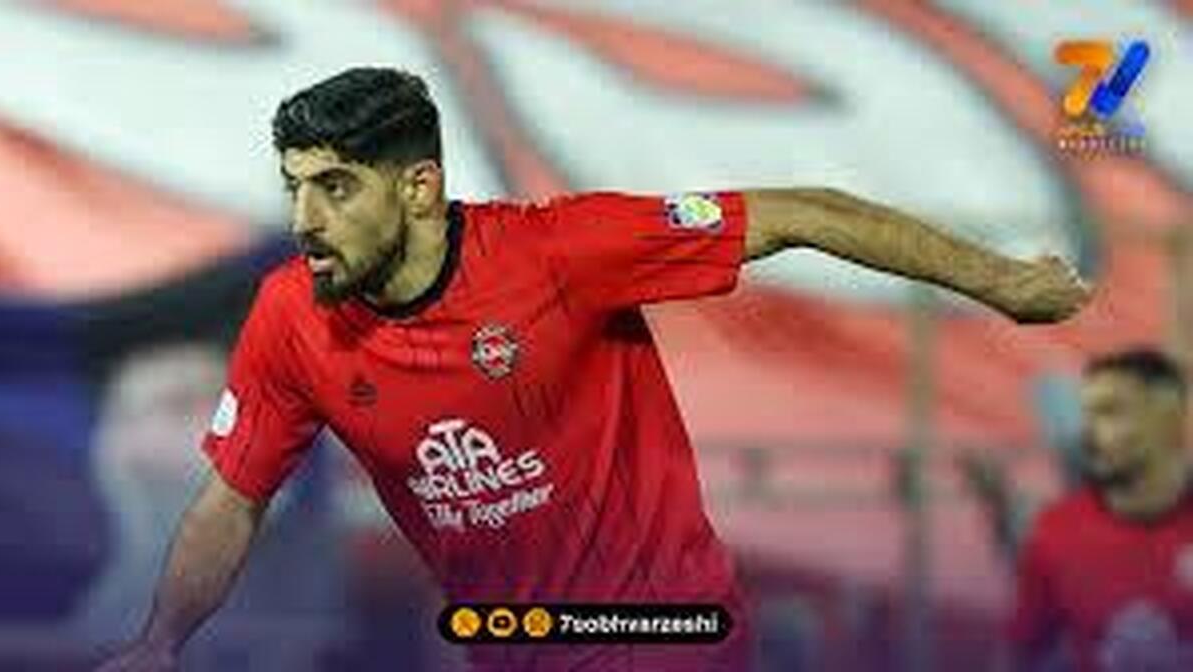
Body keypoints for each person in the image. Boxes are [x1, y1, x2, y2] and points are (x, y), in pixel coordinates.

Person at [96, 66, 1089, 672]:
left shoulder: (560, 252)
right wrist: (160, 642)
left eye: (335, 188)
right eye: (295, 188)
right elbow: (233, 497)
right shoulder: (292, 316)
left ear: (419, 187)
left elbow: (803, 211)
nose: (305, 218)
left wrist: (1002, 280)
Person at [1009, 348, 1193, 672]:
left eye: (1110, 412)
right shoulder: (1059, 529)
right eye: (1087, 414)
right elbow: (1022, 650)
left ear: (1169, 417)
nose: (1089, 432)